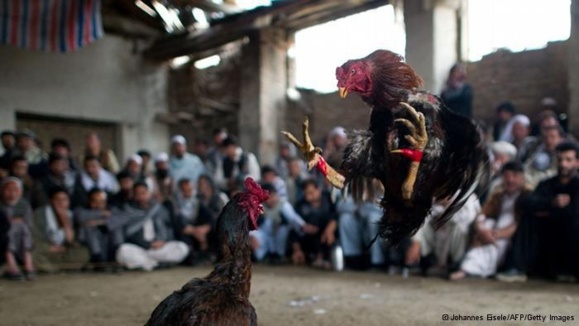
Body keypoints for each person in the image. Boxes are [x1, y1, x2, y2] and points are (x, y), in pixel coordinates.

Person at [449, 162, 532, 280]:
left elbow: (521, 223)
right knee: (488, 223)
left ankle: (474, 269)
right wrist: (482, 230)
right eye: (507, 176)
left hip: (512, 237)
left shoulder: (527, 196)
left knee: (499, 233)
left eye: (514, 176)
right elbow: (482, 215)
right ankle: (466, 268)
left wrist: (494, 235)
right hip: (491, 233)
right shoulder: (498, 195)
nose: (510, 180)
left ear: (522, 178)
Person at [516, 142, 579, 281]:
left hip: (572, 237)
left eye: (568, 160)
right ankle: (522, 267)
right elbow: (527, 202)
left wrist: (548, 212)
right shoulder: (547, 184)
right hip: (548, 235)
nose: (563, 164)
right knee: (527, 218)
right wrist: (552, 202)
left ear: (577, 162)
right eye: (560, 159)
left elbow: (574, 213)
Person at [114, 182, 189, 271]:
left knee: (182, 247)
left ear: (149, 194)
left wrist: (163, 242)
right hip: (141, 249)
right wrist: (148, 244)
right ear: (133, 195)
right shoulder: (130, 210)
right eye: (137, 194)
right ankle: (156, 264)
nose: (141, 197)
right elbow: (129, 234)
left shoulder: (159, 209)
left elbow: (168, 229)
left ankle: (147, 263)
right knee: (122, 251)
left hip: (160, 248)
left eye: (143, 193)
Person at [405, 194, 480, 276]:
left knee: (460, 228)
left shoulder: (469, 196)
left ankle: (455, 266)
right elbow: (423, 219)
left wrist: (448, 205)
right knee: (418, 226)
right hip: (438, 238)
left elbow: (467, 219)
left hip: (459, 242)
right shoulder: (435, 196)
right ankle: (423, 264)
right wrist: (416, 242)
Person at [249, 183, 313, 263]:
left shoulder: (283, 205)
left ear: (275, 195)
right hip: (265, 237)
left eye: (271, 196)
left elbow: (293, 218)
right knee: (253, 235)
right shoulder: (260, 206)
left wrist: (303, 225)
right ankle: (264, 256)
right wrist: (251, 235)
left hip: (279, 237)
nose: (269, 200)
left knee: (283, 229)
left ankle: (280, 255)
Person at [32, 187, 89, 273]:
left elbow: (71, 241)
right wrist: (49, 248)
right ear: (51, 201)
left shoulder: (70, 215)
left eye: (64, 200)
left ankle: (55, 268)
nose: (61, 203)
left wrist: (66, 223)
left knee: (83, 253)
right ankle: (56, 269)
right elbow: (34, 238)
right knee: (33, 254)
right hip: (46, 250)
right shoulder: (39, 214)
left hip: (62, 251)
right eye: (57, 200)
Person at [292, 179, 338, 269]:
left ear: (318, 190)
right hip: (309, 238)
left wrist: (329, 229)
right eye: (306, 194)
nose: (308, 197)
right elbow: (295, 228)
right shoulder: (300, 205)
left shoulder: (329, 199)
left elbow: (335, 216)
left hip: (328, 233)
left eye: (311, 193)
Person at [170, 178, 213, 263]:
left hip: (197, 231)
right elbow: (175, 223)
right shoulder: (172, 203)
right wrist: (194, 232)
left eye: (189, 190)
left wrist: (205, 228)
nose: (187, 193)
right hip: (181, 233)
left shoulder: (197, 202)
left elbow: (210, 218)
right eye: (184, 190)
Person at [0, 178, 35, 280]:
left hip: (21, 239)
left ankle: (27, 262)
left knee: (22, 226)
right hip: (2, 241)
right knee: (9, 227)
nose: (12, 193)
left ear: (20, 192)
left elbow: (29, 224)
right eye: (8, 190)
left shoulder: (24, 205)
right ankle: (11, 264)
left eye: (15, 190)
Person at [75, 188, 118, 266]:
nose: (98, 205)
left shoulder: (111, 210)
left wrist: (99, 222)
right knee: (88, 227)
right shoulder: (81, 211)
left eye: (102, 202)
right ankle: (98, 258)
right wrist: (101, 214)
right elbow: (80, 217)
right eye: (95, 201)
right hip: (88, 242)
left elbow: (116, 219)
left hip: (106, 241)